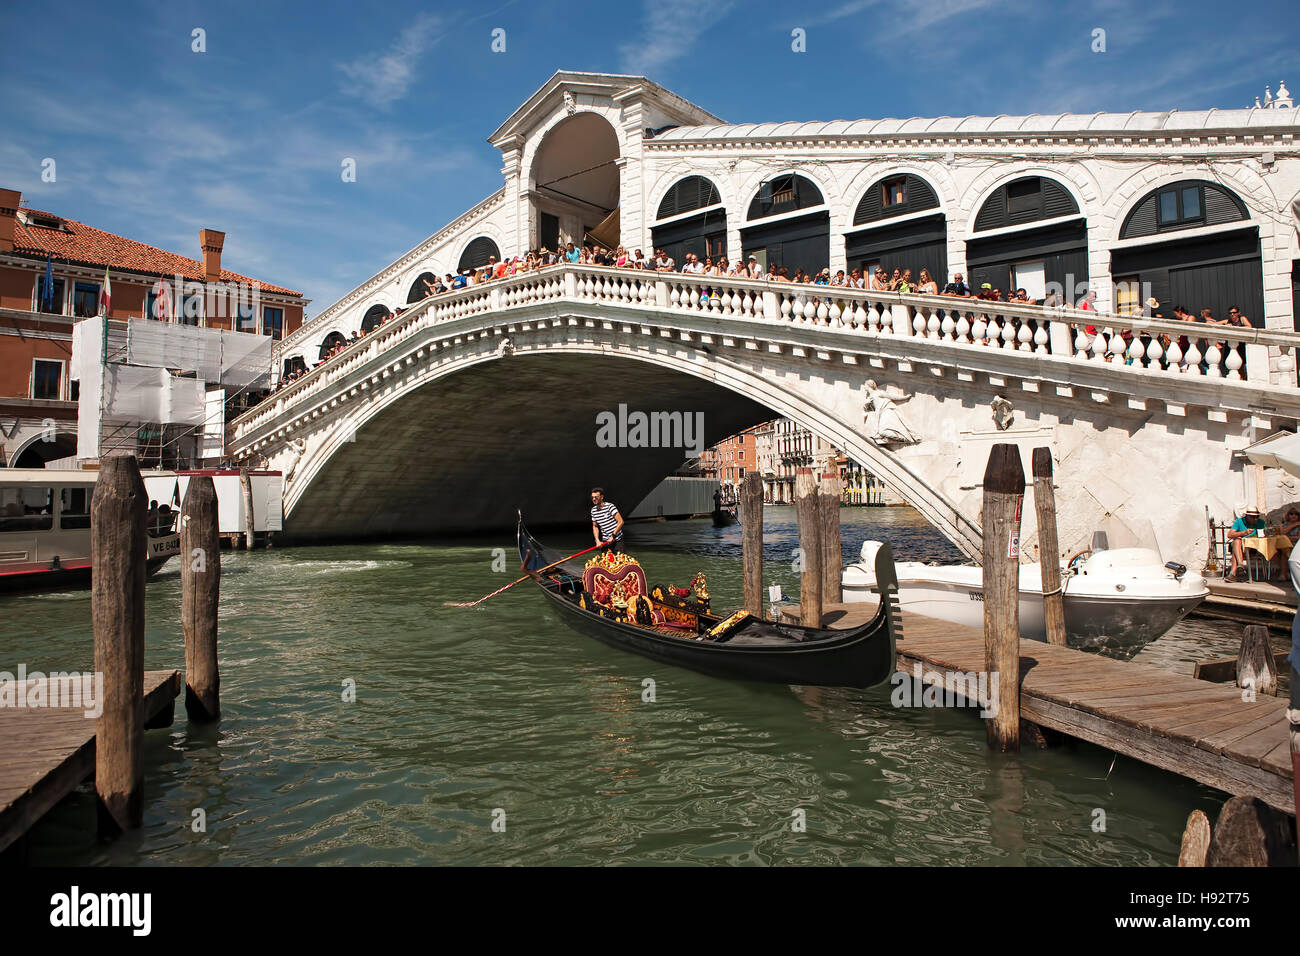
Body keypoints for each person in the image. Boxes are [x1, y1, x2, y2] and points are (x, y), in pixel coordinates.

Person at [1226, 503, 1267, 581]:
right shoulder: (1239, 521)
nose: (1255, 519)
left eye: (1257, 517)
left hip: (1254, 547)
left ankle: (1234, 572)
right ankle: (1239, 565)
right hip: (1240, 546)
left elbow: (1264, 534)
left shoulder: (1261, 522)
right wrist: (1244, 533)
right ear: (1247, 516)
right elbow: (1230, 534)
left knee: (1236, 547)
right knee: (1237, 541)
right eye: (1252, 517)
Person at [590, 488, 624, 552]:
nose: (594, 499)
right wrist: (597, 540)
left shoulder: (610, 506)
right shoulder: (593, 510)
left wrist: (613, 536)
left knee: (620, 561)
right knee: (605, 561)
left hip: (617, 540)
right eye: (592, 497)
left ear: (602, 497)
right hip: (605, 541)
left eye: (596, 497)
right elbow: (595, 526)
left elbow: (621, 522)